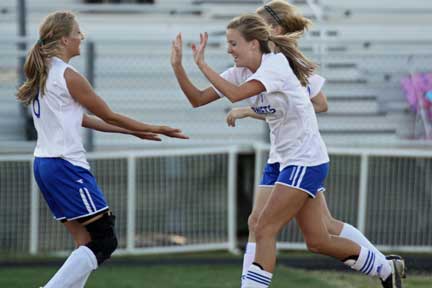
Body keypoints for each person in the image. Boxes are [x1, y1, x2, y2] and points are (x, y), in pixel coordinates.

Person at [171, 13, 405, 288]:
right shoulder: (242, 70)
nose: (228, 49)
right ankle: (385, 267)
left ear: (254, 44)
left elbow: (236, 95)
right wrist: (178, 66)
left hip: (305, 160)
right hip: (281, 160)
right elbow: (198, 99)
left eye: (233, 43)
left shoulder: (276, 66)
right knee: (313, 239)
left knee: (265, 227)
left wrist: (201, 64)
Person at [16, 11, 188, 288]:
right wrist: (154, 126)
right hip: (65, 166)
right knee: (104, 241)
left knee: (85, 243)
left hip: (46, 165)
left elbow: (84, 119)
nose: (81, 37)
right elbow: (108, 114)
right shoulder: (67, 75)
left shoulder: (44, 72)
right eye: (77, 33)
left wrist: (136, 132)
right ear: (63, 39)